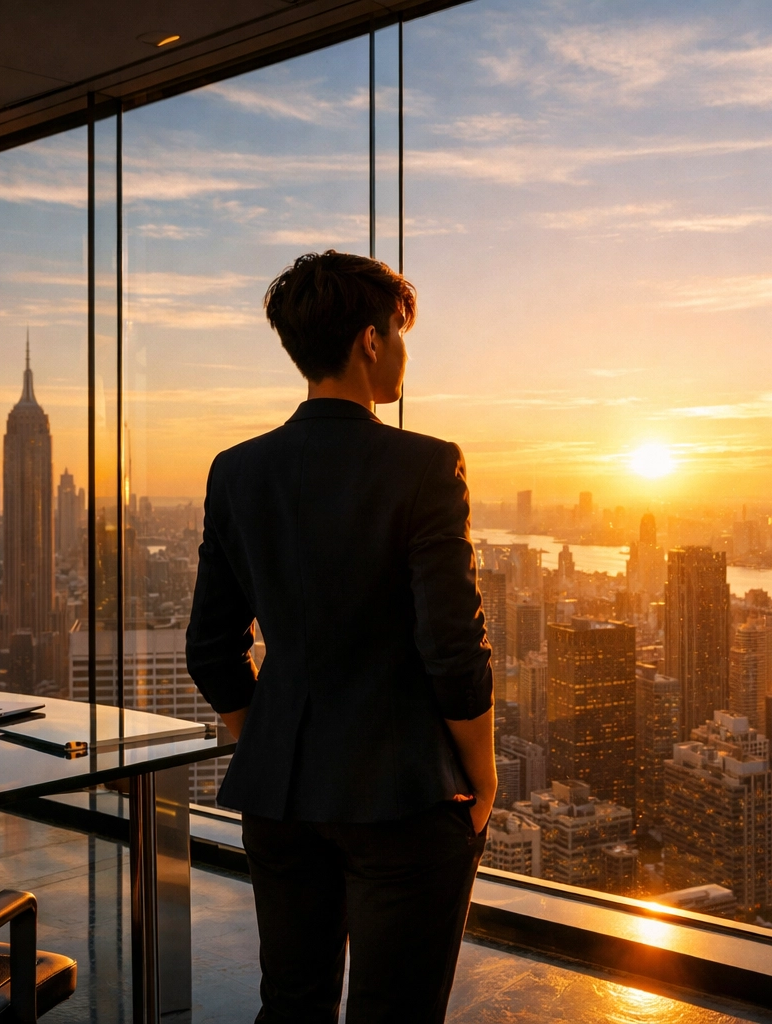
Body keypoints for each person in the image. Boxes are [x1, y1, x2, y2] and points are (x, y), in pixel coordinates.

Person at [186, 250, 497, 1023]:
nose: (402, 352)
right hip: (403, 794)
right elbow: (453, 647)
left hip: (280, 796)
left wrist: (267, 738)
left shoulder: (236, 470)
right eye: (399, 333)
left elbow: (209, 646)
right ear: (370, 339)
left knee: (292, 1003)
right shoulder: (425, 466)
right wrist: (481, 774)